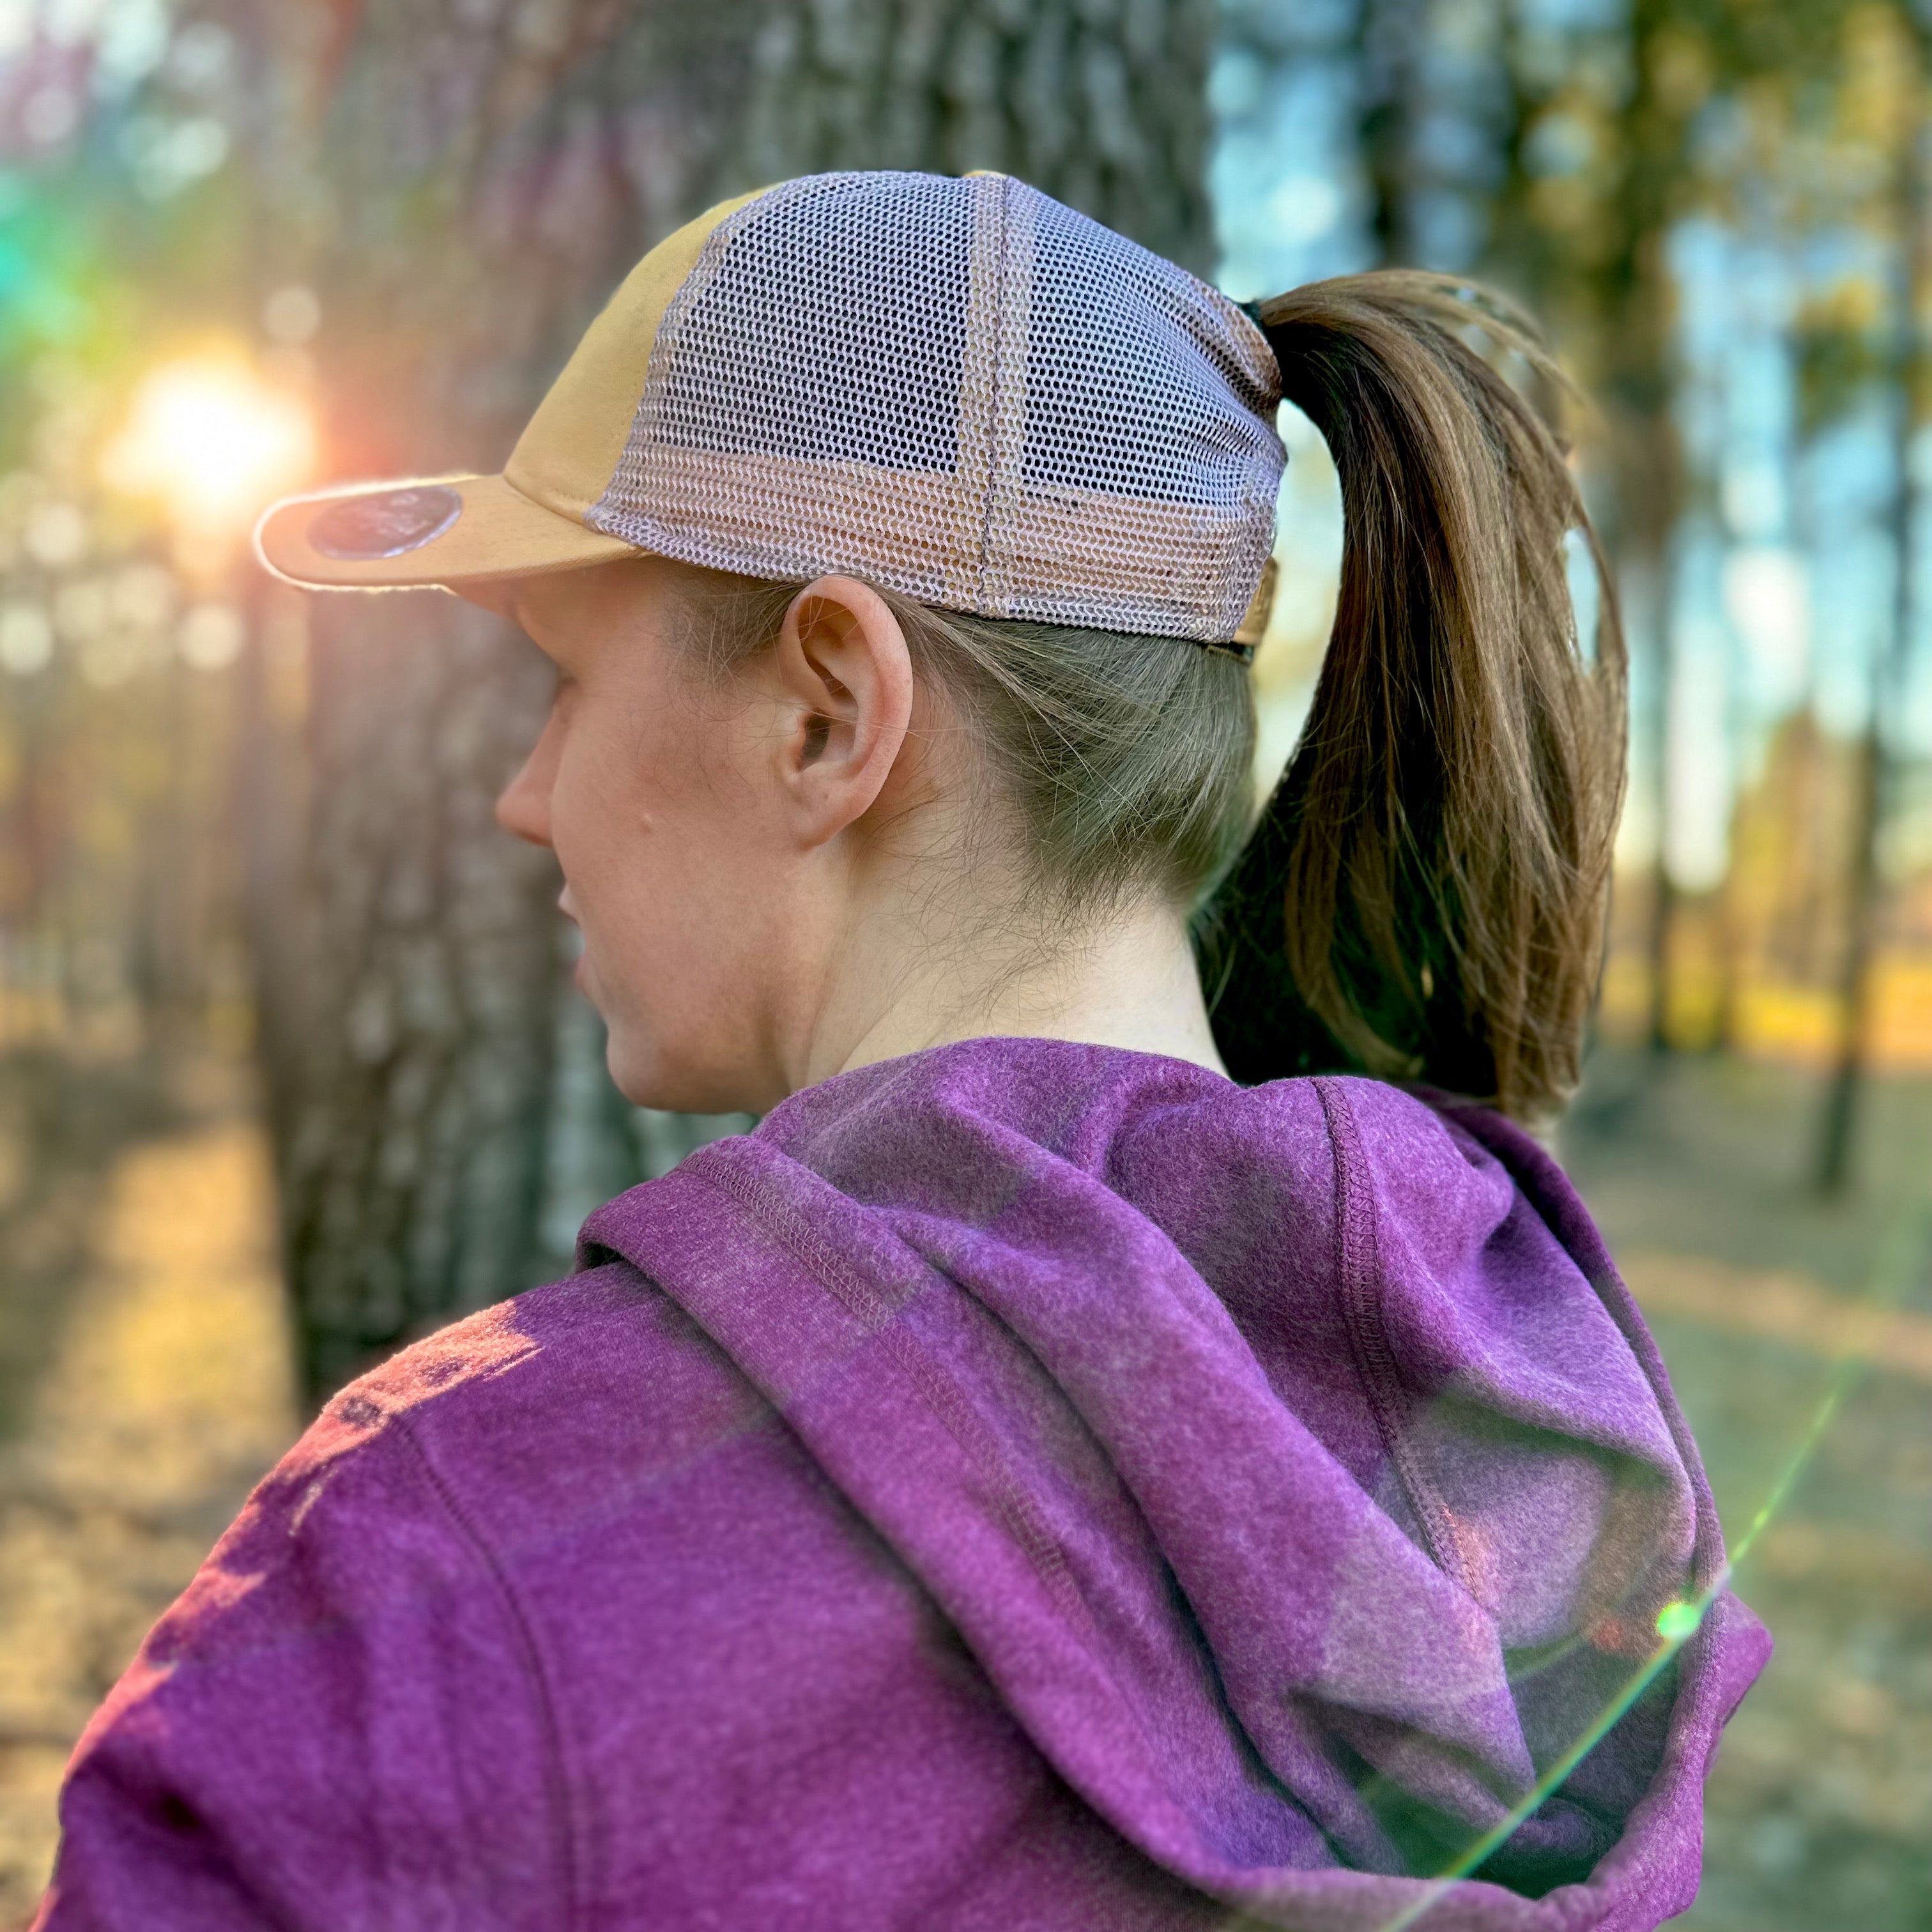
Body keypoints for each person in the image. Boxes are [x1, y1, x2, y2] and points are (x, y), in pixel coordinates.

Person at [37, 171, 1767, 1931]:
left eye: (563, 677)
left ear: (828, 714)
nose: (526, 795)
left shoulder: (442, 1566)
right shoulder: (1542, 1442)